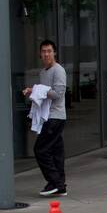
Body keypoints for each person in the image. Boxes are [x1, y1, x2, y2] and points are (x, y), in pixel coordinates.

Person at [22, 39, 68, 197]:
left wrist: (38, 89)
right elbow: (43, 94)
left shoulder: (58, 70)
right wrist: (33, 91)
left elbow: (57, 94)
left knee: (40, 149)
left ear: (54, 52)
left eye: (49, 51)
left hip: (55, 117)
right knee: (56, 152)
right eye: (43, 51)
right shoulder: (43, 72)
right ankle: (60, 186)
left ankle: (55, 182)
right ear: (40, 54)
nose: (46, 54)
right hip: (47, 116)